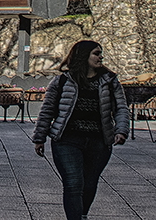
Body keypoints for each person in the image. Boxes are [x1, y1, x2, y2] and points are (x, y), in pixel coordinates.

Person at [32, 40, 129, 220]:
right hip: (67, 140)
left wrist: (121, 130)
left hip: (99, 141)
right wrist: (40, 137)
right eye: (96, 53)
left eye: (101, 53)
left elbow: (121, 108)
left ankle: (82, 215)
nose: (100, 57)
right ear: (83, 55)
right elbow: (47, 110)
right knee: (73, 184)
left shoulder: (109, 80)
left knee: (90, 183)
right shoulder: (62, 80)